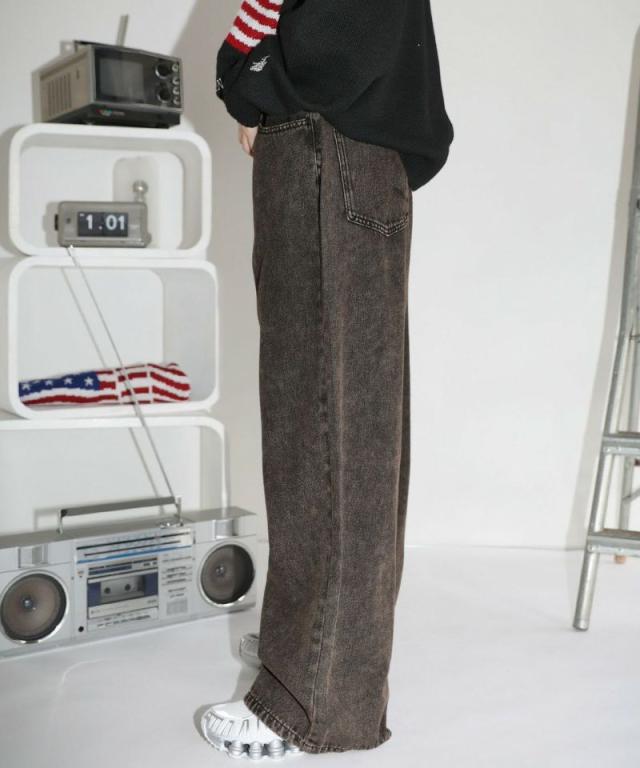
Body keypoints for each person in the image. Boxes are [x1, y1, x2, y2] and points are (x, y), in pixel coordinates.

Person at [201, 0, 454, 760]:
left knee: (322, 431)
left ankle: (311, 697)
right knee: (346, 425)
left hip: (324, 149)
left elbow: (336, 39)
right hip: (345, 156)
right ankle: (321, 653)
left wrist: (257, 85)